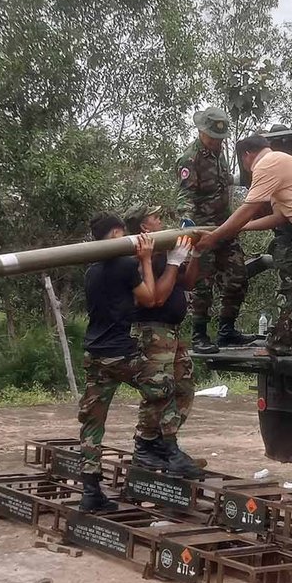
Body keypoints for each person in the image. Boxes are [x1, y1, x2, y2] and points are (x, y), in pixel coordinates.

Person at [77, 214, 198, 514]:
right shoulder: (127, 265)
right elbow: (150, 298)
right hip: (121, 354)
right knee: (163, 386)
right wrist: (145, 259)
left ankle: (91, 491)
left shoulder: (92, 270)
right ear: (119, 232)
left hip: (94, 354)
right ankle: (164, 448)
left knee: (92, 423)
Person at [197, 134, 292, 366]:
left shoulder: (267, 164)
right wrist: (243, 228)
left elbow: (248, 208)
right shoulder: (279, 166)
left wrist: (216, 236)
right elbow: (278, 217)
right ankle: (281, 343)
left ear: (246, 155)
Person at [124, 203, 201, 455]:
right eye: (156, 218)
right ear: (144, 226)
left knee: (183, 388)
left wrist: (195, 255)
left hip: (172, 332)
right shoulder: (139, 256)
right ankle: (147, 443)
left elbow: (188, 282)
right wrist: (173, 263)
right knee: (158, 392)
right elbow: (155, 298)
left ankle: (165, 444)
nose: (161, 221)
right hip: (152, 331)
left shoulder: (163, 249)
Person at [175, 106, 251, 354]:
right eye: (212, 137)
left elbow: (222, 180)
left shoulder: (220, 153)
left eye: (220, 138)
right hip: (202, 230)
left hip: (224, 227)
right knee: (202, 284)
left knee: (238, 276)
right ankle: (199, 335)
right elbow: (185, 195)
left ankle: (227, 331)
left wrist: (242, 179)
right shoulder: (189, 158)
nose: (216, 142)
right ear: (200, 131)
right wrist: (187, 222)